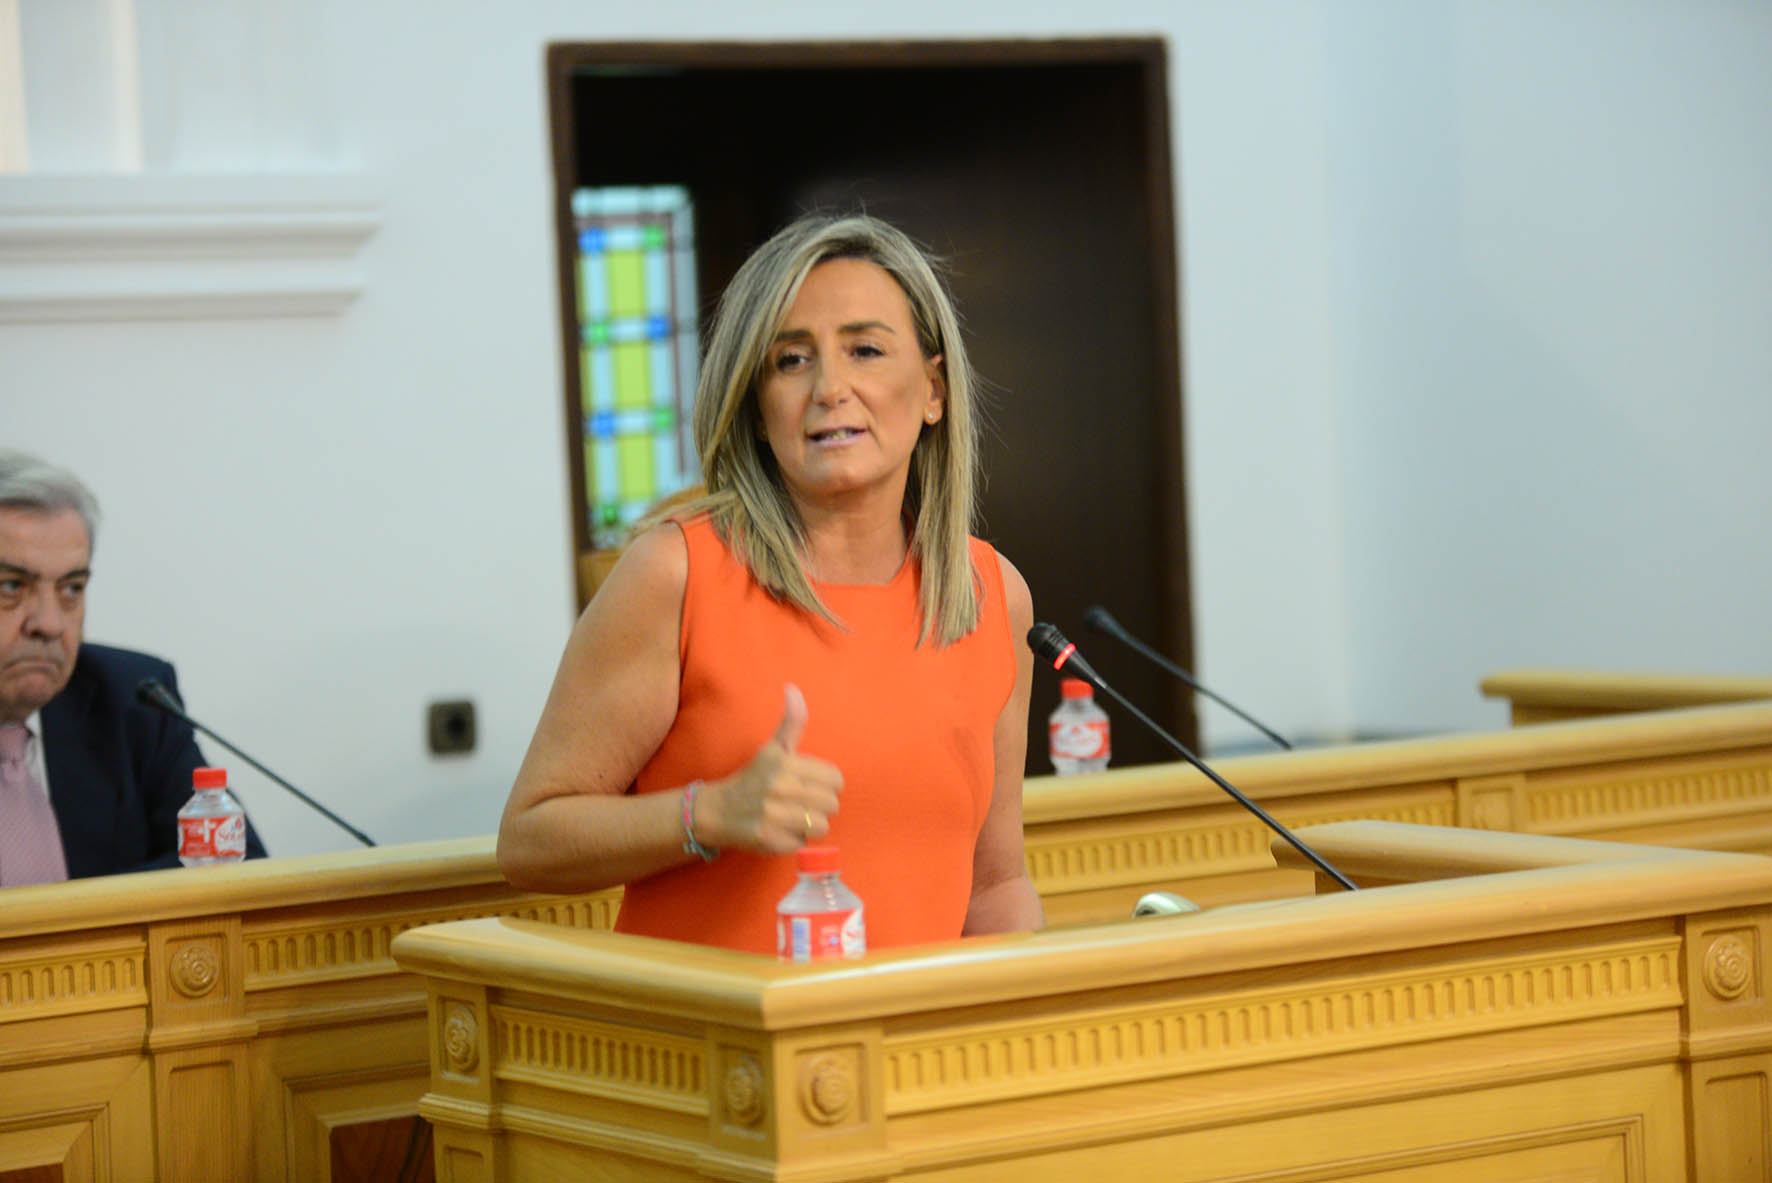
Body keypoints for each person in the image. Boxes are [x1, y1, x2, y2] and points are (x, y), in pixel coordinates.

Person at [499, 213, 1044, 953]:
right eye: (790, 360)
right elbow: (531, 838)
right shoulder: (676, 573)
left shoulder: (990, 594)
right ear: (757, 407)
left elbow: (995, 884)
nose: (830, 387)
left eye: (866, 349)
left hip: (917, 1053)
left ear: (933, 391)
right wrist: (710, 813)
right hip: (714, 1053)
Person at [0, 450, 267, 885]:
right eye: (11, 586)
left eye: (71, 589)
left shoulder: (132, 698)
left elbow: (238, 868)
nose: (49, 623)